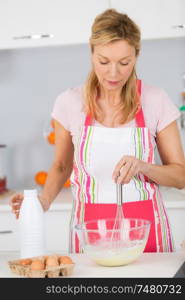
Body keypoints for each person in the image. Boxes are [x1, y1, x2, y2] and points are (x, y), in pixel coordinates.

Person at [10, 9, 185, 253]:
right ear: (91, 53)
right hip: (89, 233)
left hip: (148, 235)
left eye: (124, 63)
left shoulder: (156, 100)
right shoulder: (69, 102)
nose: (113, 73)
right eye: (104, 61)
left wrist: (144, 167)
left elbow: (180, 176)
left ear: (136, 56)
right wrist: (43, 201)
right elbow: (61, 165)